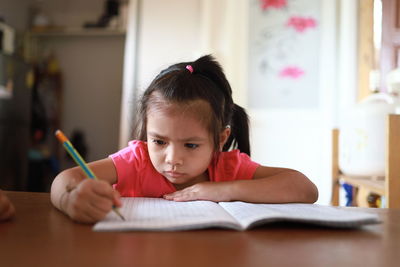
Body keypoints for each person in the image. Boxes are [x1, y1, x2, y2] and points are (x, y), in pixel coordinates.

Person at [50, 55, 318, 223]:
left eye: (191, 145)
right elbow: (64, 180)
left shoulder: (227, 168)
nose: (172, 159)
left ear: (221, 139)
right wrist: (70, 199)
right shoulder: (138, 161)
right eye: (159, 141)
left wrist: (222, 190)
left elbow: (305, 188)